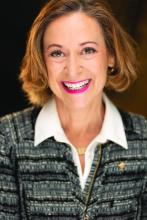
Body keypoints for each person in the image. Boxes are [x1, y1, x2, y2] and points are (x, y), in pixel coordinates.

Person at [0, 0, 147, 219]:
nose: (73, 69)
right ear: (42, 61)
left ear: (111, 55)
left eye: (88, 50)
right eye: (57, 53)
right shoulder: (6, 139)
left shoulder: (145, 141)